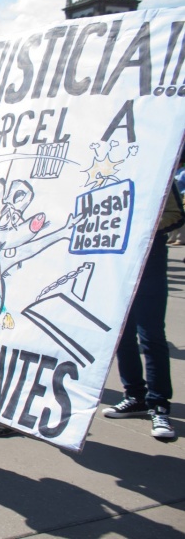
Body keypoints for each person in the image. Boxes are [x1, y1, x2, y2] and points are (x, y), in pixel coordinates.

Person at [102, 181, 183, 440]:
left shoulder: (159, 167)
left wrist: (140, 226)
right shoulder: (113, 173)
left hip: (149, 260)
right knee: (122, 335)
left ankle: (159, 405)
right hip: (114, 262)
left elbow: (175, 214)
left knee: (150, 335)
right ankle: (134, 396)